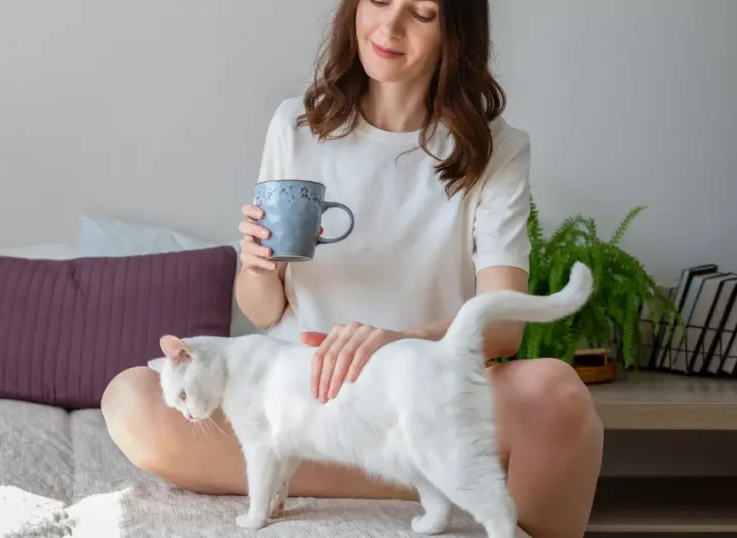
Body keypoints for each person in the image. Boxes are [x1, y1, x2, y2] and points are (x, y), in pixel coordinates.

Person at [101, 1, 604, 537]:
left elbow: (504, 328)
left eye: (423, 13)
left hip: (421, 392)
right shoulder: (296, 125)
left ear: (455, 31)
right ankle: (411, 468)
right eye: (379, 1)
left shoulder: (496, 148)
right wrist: (257, 268)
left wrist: (399, 340)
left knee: (558, 393)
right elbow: (264, 308)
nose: (389, 27)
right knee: (130, 399)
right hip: (300, 399)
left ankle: (403, 459)